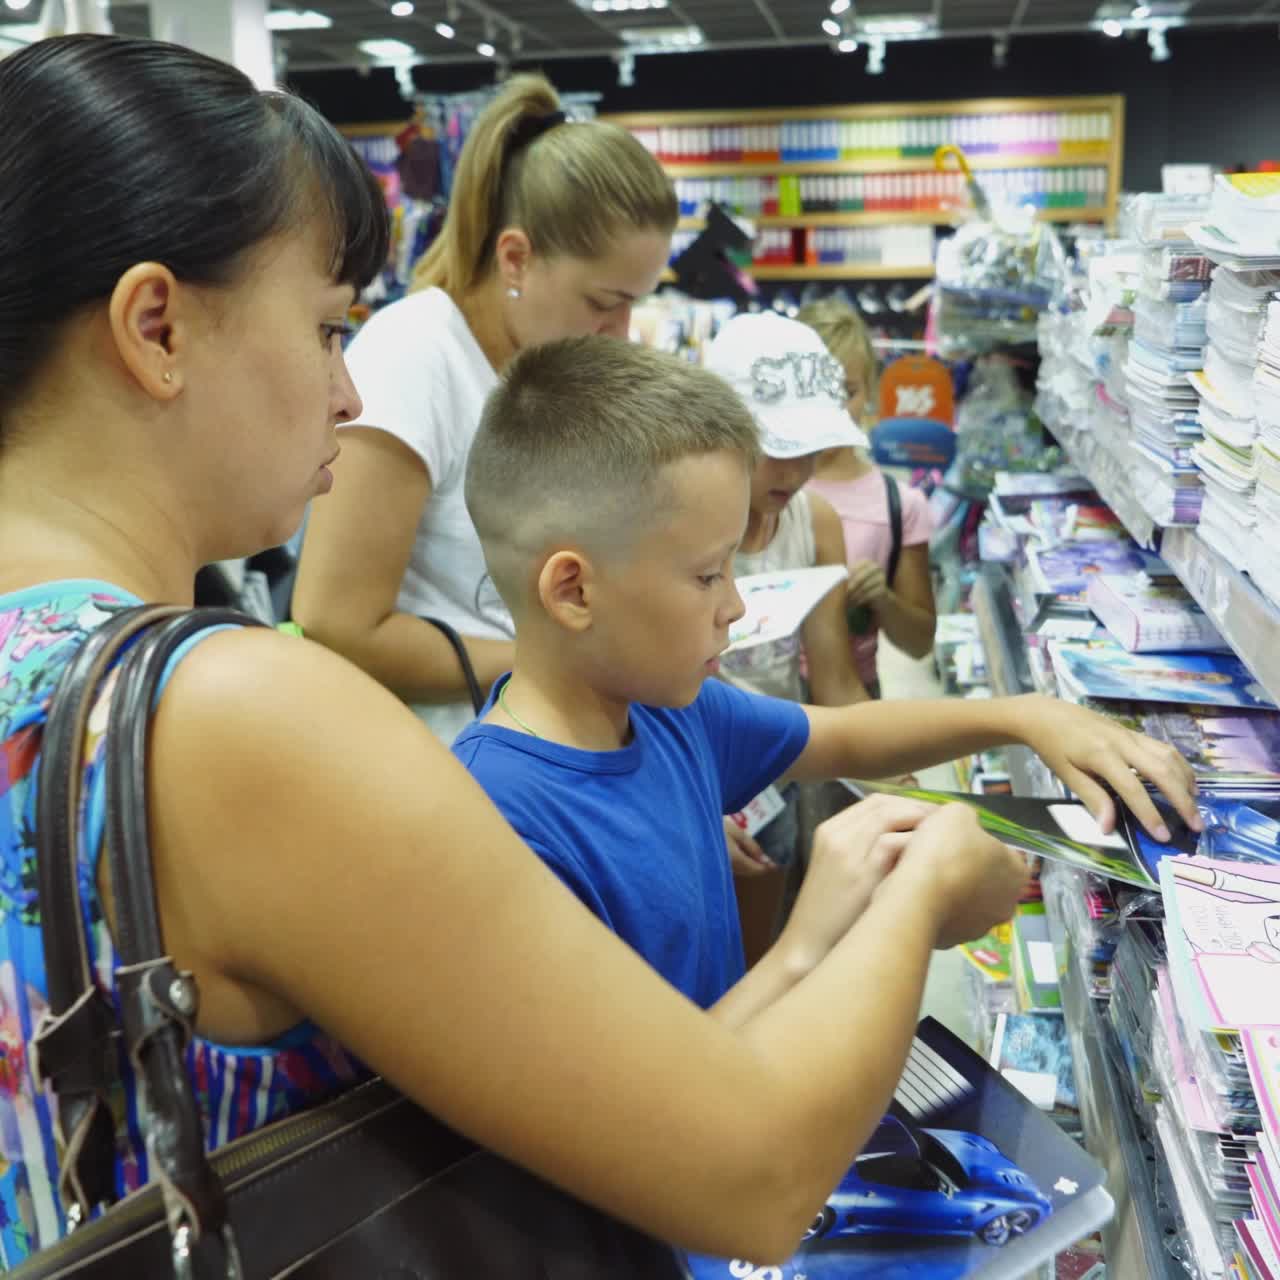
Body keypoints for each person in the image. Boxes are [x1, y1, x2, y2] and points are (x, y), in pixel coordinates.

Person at [0, 33, 1077, 1269]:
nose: (348, 396)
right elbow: (751, 1168)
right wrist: (926, 881)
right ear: (157, 327)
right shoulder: (230, 711)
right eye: (325, 328)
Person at [453, 334, 1200, 1016]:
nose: (737, 606)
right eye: (709, 575)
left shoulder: (664, 712)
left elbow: (843, 732)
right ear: (574, 591)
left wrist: (1027, 716)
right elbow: (630, 1117)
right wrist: (826, 935)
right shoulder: (501, 828)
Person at [291, 73, 678, 744]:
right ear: (517, 258)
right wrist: (576, 665)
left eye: (635, 302)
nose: (621, 330)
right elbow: (336, 621)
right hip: (446, 771)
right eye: (603, 302)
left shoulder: (545, 367)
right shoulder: (415, 355)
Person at [700, 313, 873, 961]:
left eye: (811, 450)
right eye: (779, 447)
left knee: (768, 950)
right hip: (694, 774)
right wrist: (689, 802)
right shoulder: (673, 516)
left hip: (776, 772)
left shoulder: (814, 521)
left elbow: (833, 679)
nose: (797, 471)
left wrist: (898, 775)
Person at [798, 298, 938, 697]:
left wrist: (883, 599)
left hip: (857, 693)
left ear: (871, 391)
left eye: (846, 391)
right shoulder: (757, 491)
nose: (831, 406)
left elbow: (919, 642)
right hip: (761, 698)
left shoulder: (900, 505)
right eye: (815, 389)